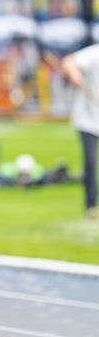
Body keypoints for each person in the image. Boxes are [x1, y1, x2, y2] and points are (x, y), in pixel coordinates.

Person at [61, 45, 99, 219]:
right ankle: (91, 205)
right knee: (90, 162)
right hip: (87, 119)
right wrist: (74, 74)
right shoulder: (94, 53)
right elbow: (68, 62)